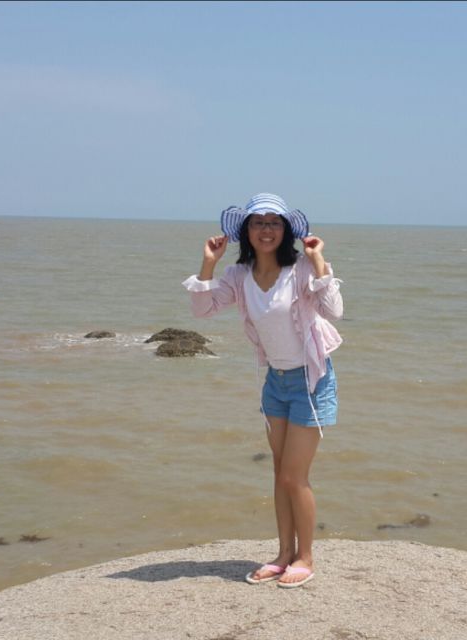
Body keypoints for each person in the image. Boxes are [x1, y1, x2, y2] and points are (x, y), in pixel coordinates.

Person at [182, 193, 343, 588]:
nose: (266, 230)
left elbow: (334, 310)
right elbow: (202, 310)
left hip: (311, 381)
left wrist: (319, 261)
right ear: (246, 231)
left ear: (285, 230)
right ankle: (284, 554)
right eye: (258, 222)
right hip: (276, 383)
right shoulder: (239, 276)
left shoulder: (301, 269)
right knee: (279, 474)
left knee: (294, 476)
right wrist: (209, 263)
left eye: (274, 222)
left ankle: (306, 557)